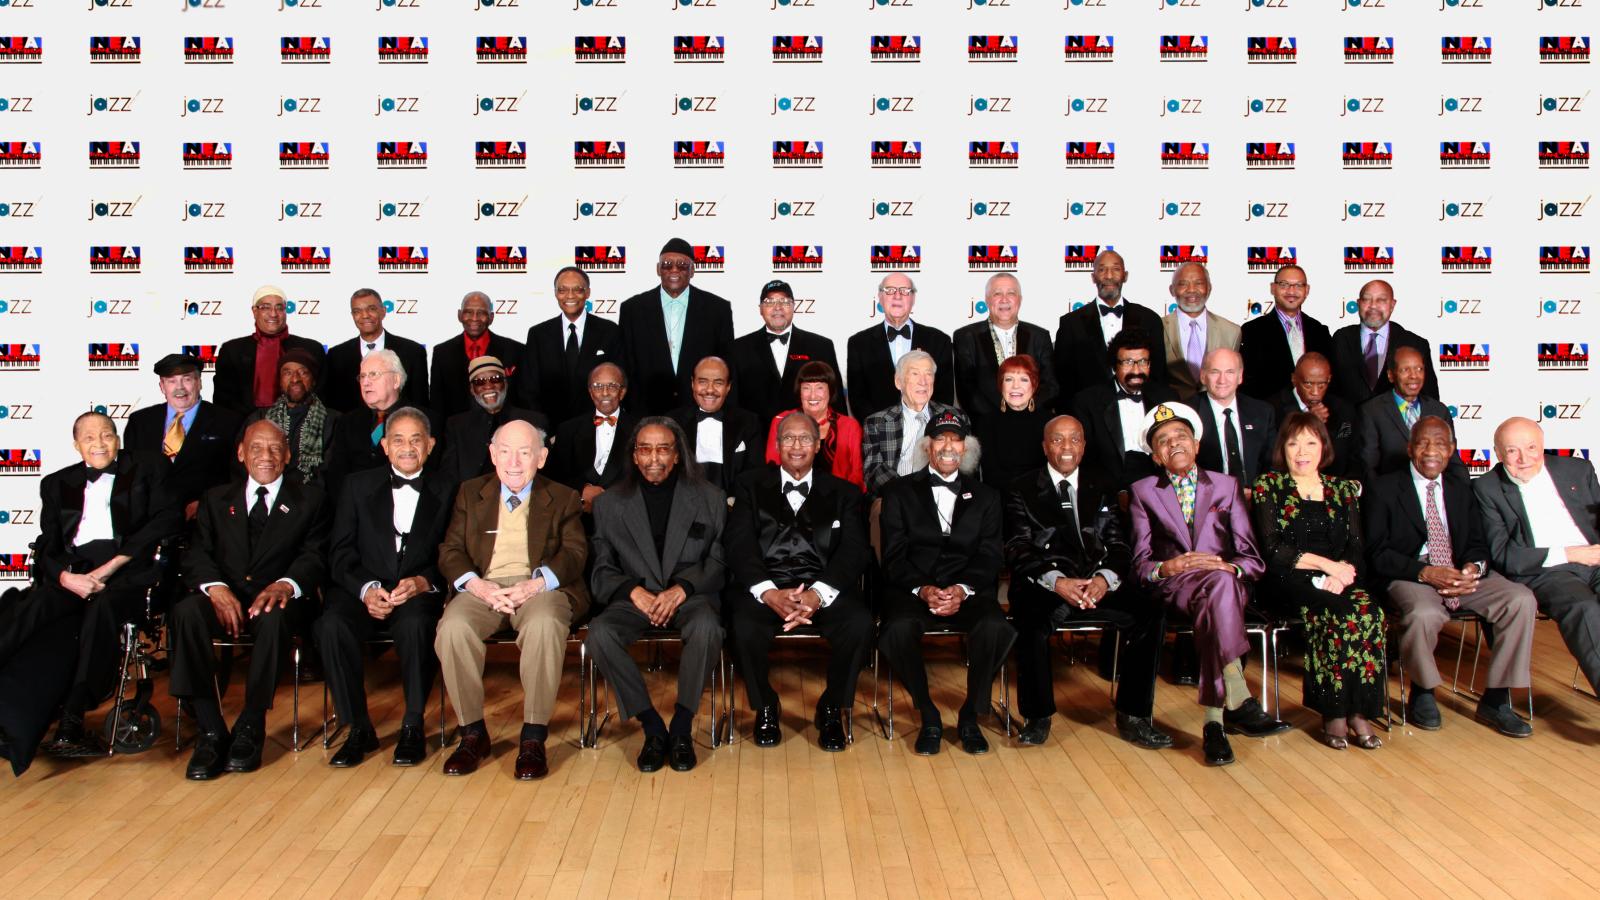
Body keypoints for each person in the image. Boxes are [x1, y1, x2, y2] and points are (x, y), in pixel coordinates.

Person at [1, 414, 178, 760]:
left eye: (106, 435)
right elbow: (47, 545)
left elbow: (166, 520)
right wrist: (67, 579)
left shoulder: (148, 468)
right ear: (76, 445)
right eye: (89, 438)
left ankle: (72, 718)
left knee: (101, 611)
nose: (99, 443)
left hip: (125, 571)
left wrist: (111, 567)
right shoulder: (56, 484)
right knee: (33, 607)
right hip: (75, 572)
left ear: (117, 439)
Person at [168, 420, 331, 779]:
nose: (266, 456)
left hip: (282, 600)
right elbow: (197, 554)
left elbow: (316, 555)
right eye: (256, 448)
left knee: (274, 617)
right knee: (186, 613)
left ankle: (251, 724)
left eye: (275, 448)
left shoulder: (310, 499)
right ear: (241, 453)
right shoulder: (215, 498)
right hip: (224, 596)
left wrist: (286, 585)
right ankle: (210, 730)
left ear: (288, 455)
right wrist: (215, 588)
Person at [1128, 402, 1287, 767]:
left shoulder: (1227, 486)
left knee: (1219, 585)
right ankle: (1236, 700)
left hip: (1225, 586)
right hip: (1175, 587)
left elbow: (1251, 558)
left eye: (1181, 436)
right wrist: (1170, 566)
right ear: (1155, 456)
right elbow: (1140, 564)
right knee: (1217, 591)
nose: (1175, 444)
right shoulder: (1143, 491)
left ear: (1197, 444)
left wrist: (1227, 568)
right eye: (1164, 441)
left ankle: (1215, 725)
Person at [435, 420, 590, 779]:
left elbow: (575, 552)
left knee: (544, 625)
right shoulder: (470, 493)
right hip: (484, 587)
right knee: (453, 628)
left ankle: (533, 736)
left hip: (540, 588)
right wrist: (477, 586)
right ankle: (472, 732)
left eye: (525, 452)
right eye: (505, 451)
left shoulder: (563, 497)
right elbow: (450, 549)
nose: (514, 461)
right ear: (492, 454)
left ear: (542, 457)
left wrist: (535, 584)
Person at [1002, 415, 1169, 749]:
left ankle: (1134, 715)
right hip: (1046, 583)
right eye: (1058, 439)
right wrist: (1057, 581)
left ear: (1084, 445)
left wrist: (1104, 579)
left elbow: (1120, 543)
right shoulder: (1020, 488)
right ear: (1045, 446)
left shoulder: (1102, 483)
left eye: (1074, 439)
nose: (1067, 447)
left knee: (1151, 612)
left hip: (1095, 581)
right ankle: (1038, 716)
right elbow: (1017, 548)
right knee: (1030, 621)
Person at [1364, 416, 1536, 737]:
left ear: (1452, 450)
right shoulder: (1384, 488)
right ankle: (1423, 691)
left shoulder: (1462, 488)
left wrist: (1473, 568)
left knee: (1520, 599)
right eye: (1424, 443)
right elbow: (1376, 553)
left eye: (1441, 444)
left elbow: (1476, 543)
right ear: (1410, 447)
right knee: (1423, 613)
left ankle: (1498, 698)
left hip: (1459, 570)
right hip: (1412, 572)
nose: (1432, 451)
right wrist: (1426, 571)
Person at [585, 418, 727, 773]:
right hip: (634, 598)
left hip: (689, 596)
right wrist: (633, 591)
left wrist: (683, 589)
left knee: (708, 628)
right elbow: (601, 570)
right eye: (645, 449)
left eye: (663, 449)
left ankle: (681, 725)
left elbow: (721, 560)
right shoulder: (609, 504)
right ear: (634, 456)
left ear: (677, 455)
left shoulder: (710, 498)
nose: (654, 458)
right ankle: (651, 726)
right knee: (600, 633)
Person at [726, 412, 874, 751]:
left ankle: (832, 706)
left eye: (805, 438)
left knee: (860, 623)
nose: (796, 446)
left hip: (822, 588)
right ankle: (765, 704)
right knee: (742, 626)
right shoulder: (749, 485)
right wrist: (768, 593)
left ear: (818, 445)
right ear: (777, 445)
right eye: (788, 439)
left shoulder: (845, 493)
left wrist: (818, 595)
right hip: (768, 587)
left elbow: (854, 551)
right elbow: (738, 544)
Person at [316, 408, 454, 768]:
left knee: (415, 625)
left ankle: (412, 724)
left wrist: (425, 582)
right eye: (398, 439)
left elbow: (455, 552)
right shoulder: (356, 485)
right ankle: (358, 726)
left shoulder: (451, 487)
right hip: (361, 590)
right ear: (385, 447)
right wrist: (366, 589)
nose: (407, 448)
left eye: (416, 439)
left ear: (430, 445)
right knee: (331, 625)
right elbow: (340, 551)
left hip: (416, 590)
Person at [876, 411, 1016, 755]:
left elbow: (989, 555)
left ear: (967, 448)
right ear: (927, 446)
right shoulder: (898, 492)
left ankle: (971, 714)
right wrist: (923, 589)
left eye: (956, 439)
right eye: (941, 439)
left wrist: (961, 589)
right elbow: (893, 555)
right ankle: (928, 712)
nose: (949, 446)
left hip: (967, 591)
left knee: (996, 627)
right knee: (895, 629)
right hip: (914, 590)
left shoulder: (987, 496)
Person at [1250, 413, 1385, 750]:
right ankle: (1334, 713)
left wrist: (1342, 576)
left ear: (1324, 447)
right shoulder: (1270, 486)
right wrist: (1327, 567)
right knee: (1339, 615)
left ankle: (1360, 711)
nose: (1302, 451)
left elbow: (1356, 546)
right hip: (1288, 578)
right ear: (1283, 448)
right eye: (1293, 443)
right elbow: (1273, 549)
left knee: (1369, 613)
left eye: (1311, 442)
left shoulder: (1342, 489)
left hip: (1339, 577)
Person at [1476, 417, 1600, 696]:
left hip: (1595, 558)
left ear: (1543, 445)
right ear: (1497, 453)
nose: (1523, 458)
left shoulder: (1577, 469)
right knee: (1584, 608)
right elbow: (1503, 555)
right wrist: (1569, 553)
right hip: (1548, 571)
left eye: (1532, 447)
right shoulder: (1487, 488)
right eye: (1512, 451)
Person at [618, 238, 735, 415]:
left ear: (692, 270)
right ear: (658, 269)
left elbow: (726, 365)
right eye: (667, 264)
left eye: (682, 265)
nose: (674, 270)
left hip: (699, 411)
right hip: (646, 413)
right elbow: (626, 364)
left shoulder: (717, 309)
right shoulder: (632, 309)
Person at [123, 353, 243, 519]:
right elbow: (129, 475)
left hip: (205, 518)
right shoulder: (140, 421)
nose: (180, 388)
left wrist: (207, 504)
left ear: (199, 383)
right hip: (149, 520)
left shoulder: (229, 422)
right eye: (171, 381)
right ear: (162, 387)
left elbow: (237, 477)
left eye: (187, 379)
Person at [1053, 249, 1168, 412]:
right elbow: (1062, 379)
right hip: (1089, 413)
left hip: (1140, 410)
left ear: (1125, 276)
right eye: (1102, 269)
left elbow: (1158, 373)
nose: (1108, 276)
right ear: (1093, 277)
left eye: (1115, 269)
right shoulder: (1071, 323)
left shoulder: (1149, 319)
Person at [1070, 329, 1176, 493]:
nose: (1136, 370)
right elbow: (1087, 458)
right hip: (1109, 485)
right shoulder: (1087, 401)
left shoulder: (1167, 397)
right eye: (1127, 362)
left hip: (1159, 481)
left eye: (1142, 362)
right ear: (1114, 366)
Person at [323, 350, 439, 497]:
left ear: (396, 380)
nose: (365, 382)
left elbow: (433, 475)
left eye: (373, 374)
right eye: (363, 376)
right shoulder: (347, 422)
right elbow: (336, 477)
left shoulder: (426, 420)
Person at [519, 266, 623, 428]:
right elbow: (528, 389)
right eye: (563, 290)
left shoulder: (609, 331)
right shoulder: (538, 334)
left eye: (577, 289)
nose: (570, 295)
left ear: (588, 293)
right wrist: (543, 429)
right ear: (555, 293)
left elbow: (618, 383)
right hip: (551, 431)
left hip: (596, 429)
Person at [729, 279, 844, 424]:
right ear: (760, 309)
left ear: (793, 306)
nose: (777, 307)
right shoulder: (738, 348)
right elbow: (732, 403)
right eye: (769, 302)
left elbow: (836, 398)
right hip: (756, 440)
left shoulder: (821, 346)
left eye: (784, 301)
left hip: (809, 438)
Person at [953, 272, 1058, 424]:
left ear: (1020, 300)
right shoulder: (965, 337)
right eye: (997, 294)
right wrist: (999, 418)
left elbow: (1051, 386)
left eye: (1011, 293)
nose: (1004, 299)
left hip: (1033, 423)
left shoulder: (1039, 336)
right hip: (986, 425)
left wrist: (1025, 411)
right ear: (987, 300)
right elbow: (967, 390)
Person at [845, 273, 954, 418]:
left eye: (904, 290)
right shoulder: (858, 343)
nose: (897, 296)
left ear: (913, 298)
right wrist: (879, 428)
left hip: (927, 433)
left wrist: (927, 428)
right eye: (889, 290)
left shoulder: (939, 340)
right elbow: (857, 398)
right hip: (878, 434)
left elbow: (944, 395)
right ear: (880, 297)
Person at [212, 284, 326, 415]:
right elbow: (223, 400)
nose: (273, 314)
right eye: (266, 307)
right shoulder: (232, 350)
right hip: (245, 426)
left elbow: (322, 395)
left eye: (279, 308)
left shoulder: (311, 348)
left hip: (301, 425)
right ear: (255, 311)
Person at [1330, 279, 1440, 410]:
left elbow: (1430, 399)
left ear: (1392, 305)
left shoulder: (1415, 343)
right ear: (1358, 304)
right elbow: (1330, 389)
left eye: (1381, 300)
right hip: (1350, 427)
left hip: (1398, 428)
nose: (1373, 306)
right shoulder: (1341, 338)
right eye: (1366, 299)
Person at [438, 356, 549, 486]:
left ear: (505, 384)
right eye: (479, 382)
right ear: (472, 390)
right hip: (471, 501)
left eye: (495, 379)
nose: (488, 386)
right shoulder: (456, 425)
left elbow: (546, 473)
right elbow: (449, 474)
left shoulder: (534, 421)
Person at [1356, 345, 1459, 484]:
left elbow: (1454, 463)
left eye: (1419, 369)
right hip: (1390, 495)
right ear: (1391, 375)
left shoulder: (1439, 410)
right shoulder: (1372, 411)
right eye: (1405, 370)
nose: (1414, 376)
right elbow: (1368, 467)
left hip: (1432, 491)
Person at [861, 351, 957, 495]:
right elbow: (874, 471)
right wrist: (909, 495)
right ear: (898, 382)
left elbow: (964, 464)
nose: (923, 381)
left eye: (928, 374)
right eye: (915, 374)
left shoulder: (954, 416)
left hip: (943, 493)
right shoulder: (876, 422)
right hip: (896, 495)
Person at [319, 288, 429, 413]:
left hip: (399, 428)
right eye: (357, 311)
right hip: (352, 429)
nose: (365, 315)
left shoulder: (413, 352)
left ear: (383, 311)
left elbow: (420, 403)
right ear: (352, 316)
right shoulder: (336, 355)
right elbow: (333, 405)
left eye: (371, 309)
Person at [550, 362, 639, 517]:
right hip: (578, 517)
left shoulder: (640, 430)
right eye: (598, 386)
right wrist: (582, 489)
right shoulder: (568, 430)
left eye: (612, 386)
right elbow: (556, 475)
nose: (604, 392)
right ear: (591, 392)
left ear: (622, 392)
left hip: (625, 515)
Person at [762, 361, 864, 491]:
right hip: (789, 496)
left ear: (831, 391)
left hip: (837, 500)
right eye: (806, 387)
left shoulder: (850, 426)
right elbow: (773, 468)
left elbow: (857, 474)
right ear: (799, 391)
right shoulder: (782, 421)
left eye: (819, 387)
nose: (812, 395)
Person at [667, 357, 763, 493]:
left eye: (718, 383)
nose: (710, 390)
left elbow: (754, 473)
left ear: (728, 387)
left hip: (732, 504)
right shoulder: (672, 422)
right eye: (702, 382)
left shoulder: (749, 422)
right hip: (684, 503)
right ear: (693, 383)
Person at [244, 349, 339, 486]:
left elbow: (332, 472)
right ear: (280, 380)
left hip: (313, 499)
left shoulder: (333, 421)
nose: (295, 379)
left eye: (303, 372)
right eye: (287, 373)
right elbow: (241, 467)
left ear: (313, 380)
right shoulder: (259, 418)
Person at [1238, 265, 1333, 400]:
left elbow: (1329, 380)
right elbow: (1248, 384)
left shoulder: (1319, 331)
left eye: (1298, 285)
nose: (1291, 291)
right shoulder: (1252, 331)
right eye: (1284, 284)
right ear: (1273, 288)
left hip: (1314, 416)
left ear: (1307, 290)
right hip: (1271, 414)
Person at [429, 291, 525, 420]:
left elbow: (523, 398)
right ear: (459, 315)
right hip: (457, 433)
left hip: (506, 429)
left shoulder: (515, 350)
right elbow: (437, 403)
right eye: (468, 312)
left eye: (481, 313)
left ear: (491, 317)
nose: (474, 318)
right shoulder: (442, 352)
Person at [1192, 348, 1277, 488]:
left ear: (1240, 376)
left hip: (1256, 496)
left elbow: (1273, 463)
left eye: (1229, 372)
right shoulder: (1189, 413)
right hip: (1209, 498)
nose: (1222, 380)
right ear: (1203, 376)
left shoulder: (1262, 412)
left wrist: (1259, 493)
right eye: (1215, 372)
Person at [1268, 353, 1357, 478]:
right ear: (1294, 379)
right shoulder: (1271, 409)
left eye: (1322, 385)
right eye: (1308, 384)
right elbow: (1273, 456)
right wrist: (1308, 422)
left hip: (1334, 486)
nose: (1315, 392)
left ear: (1329, 379)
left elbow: (1350, 453)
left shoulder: (1344, 409)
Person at [1161, 262, 1240, 401]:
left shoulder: (1231, 332)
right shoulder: (1158, 327)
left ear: (1209, 288)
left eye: (1198, 283)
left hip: (1215, 413)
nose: (1191, 290)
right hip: (1171, 411)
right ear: (1172, 290)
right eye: (1183, 284)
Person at [974, 355, 1050, 490]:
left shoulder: (1049, 422)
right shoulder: (986, 423)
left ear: (1034, 385)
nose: (1016, 386)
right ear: (1000, 385)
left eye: (1024, 380)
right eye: (1009, 379)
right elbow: (990, 474)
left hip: (1040, 496)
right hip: (1001, 498)